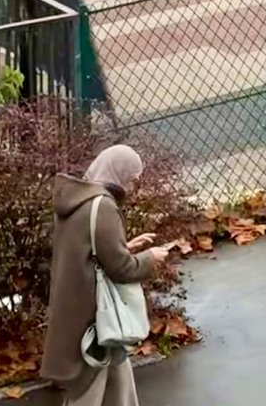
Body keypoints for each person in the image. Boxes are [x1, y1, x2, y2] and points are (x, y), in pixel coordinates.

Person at [41, 145, 170, 406]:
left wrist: (126, 246)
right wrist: (149, 258)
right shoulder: (103, 206)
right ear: (118, 174)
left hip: (75, 309)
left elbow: (88, 250)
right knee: (89, 389)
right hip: (93, 317)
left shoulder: (78, 200)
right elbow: (122, 269)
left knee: (117, 378)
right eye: (132, 180)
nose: (133, 188)